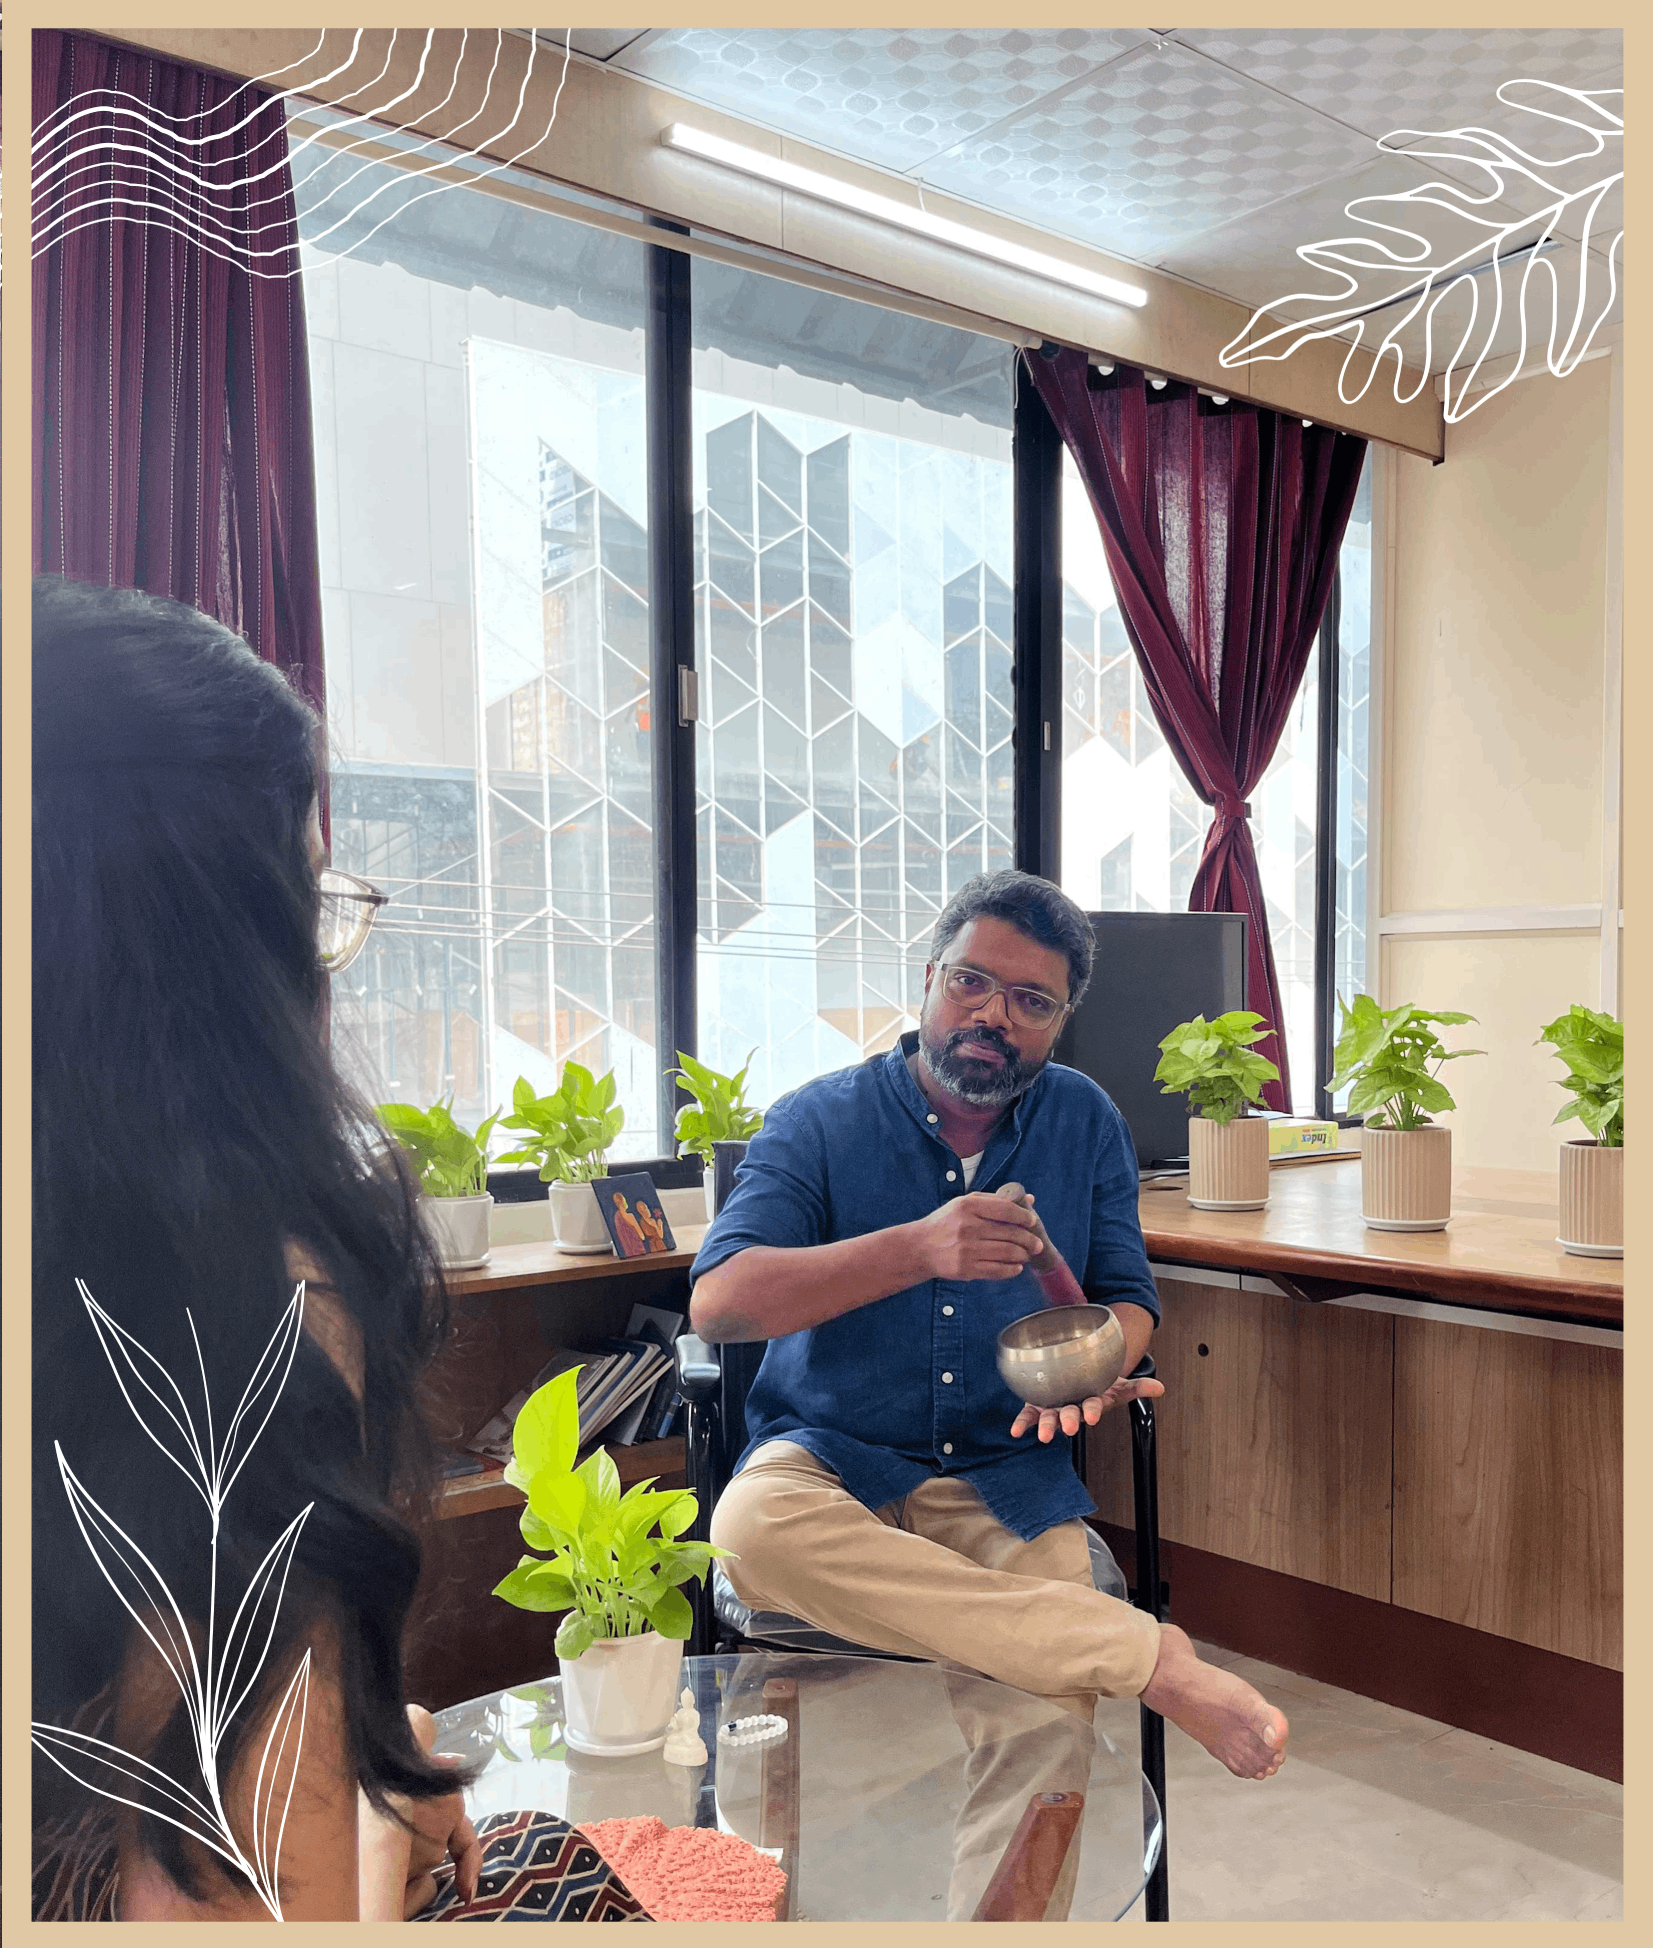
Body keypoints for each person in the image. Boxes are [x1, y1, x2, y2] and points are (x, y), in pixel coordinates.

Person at [30, 577, 486, 1920]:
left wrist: (374, 1751)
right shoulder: (250, 1299)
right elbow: (250, 1893)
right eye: (309, 890)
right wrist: (376, 1807)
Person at [689, 871, 1290, 1816]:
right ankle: (1146, 1657)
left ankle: (1072, 1695)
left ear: (1059, 1021)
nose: (992, 1014)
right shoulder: (817, 1119)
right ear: (929, 977)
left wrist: (1101, 1361)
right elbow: (720, 1306)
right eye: (971, 981)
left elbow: (1127, 1299)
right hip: (827, 1460)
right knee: (749, 1532)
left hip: (1002, 1472)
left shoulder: (1084, 1121)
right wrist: (917, 1249)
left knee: (1046, 1712)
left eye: (1030, 1000)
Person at [609, 1192, 648, 1258]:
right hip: (638, 1248)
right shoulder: (630, 1216)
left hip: (627, 1250)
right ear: (623, 1202)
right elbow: (642, 1236)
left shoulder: (616, 1216)